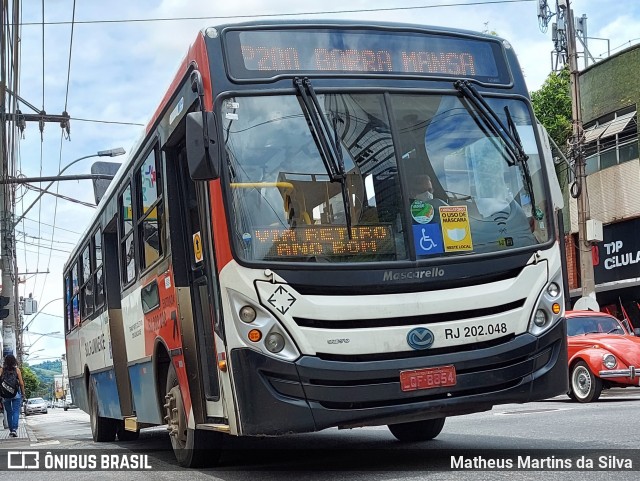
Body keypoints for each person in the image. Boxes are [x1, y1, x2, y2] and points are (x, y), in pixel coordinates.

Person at [0, 354, 26, 437]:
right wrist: (23, 394)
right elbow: (21, 383)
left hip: (4, 395)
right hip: (16, 394)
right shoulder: (17, 370)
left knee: (9, 412)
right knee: (15, 411)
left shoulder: (1, 370)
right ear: (14, 361)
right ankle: (14, 430)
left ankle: (11, 430)